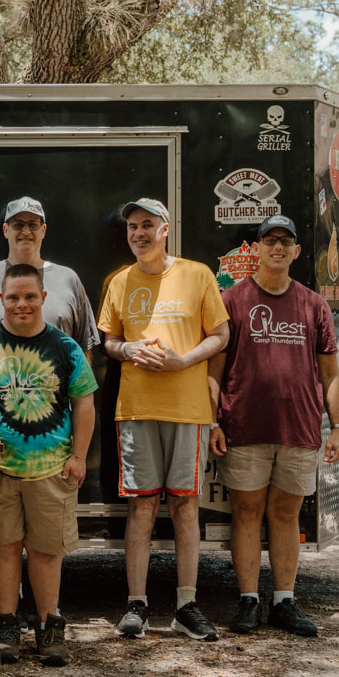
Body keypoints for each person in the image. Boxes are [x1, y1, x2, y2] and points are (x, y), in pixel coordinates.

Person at [98, 197, 229, 642]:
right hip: (135, 409)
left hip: (188, 410)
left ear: (165, 228)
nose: (139, 233)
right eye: (133, 226)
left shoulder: (196, 274)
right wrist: (125, 350)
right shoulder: (119, 281)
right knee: (142, 505)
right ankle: (136, 604)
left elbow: (221, 335)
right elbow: (109, 341)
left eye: (147, 225)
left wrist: (183, 361)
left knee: (185, 505)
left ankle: (186, 605)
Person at [208, 215, 339, 637]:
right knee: (246, 513)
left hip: (300, 429)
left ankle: (284, 600)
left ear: (298, 251)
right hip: (244, 427)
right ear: (257, 248)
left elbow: (331, 374)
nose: (278, 248)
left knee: (285, 515)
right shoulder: (232, 300)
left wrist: (337, 426)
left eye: (286, 241)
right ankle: (248, 599)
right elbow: (214, 369)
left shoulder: (313, 304)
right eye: (270, 240)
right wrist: (212, 420)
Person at [0, 264, 97, 666]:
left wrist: (79, 456)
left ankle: (49, 627)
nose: (21, 304)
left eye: (29, 297)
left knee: (46, 553)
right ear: (0, 300)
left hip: (52, 468)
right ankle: (6, 626)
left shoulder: (65, 347)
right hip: (0, 470)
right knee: (4, 549)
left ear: (44, 298)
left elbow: (84, 403)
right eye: (13, 297)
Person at [0, 197, 100, 355]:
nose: (26, 231)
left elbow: (84, 349)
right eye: (18, 224)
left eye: (32, 224)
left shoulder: (68, 278)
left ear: (43, 230)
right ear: (5, 230)